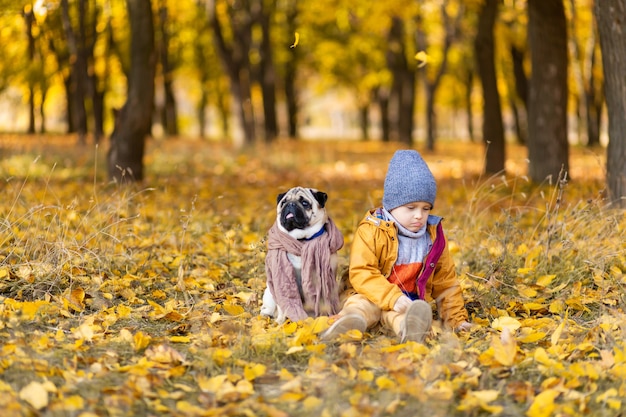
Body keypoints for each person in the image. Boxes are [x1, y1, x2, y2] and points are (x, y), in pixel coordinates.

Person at [322, 150, 471, 343]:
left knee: (399, 316)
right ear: (391, 206)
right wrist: (392, 297)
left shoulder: (433, 238)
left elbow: (446, 282)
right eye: (411, 208)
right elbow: (361, 272)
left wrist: (456, 320)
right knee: (361, 306)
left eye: (426, 208)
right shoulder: (372, 230)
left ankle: (409, 329)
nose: (419, 215)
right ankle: (348, 322)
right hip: (371, 294)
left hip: (407, 302)